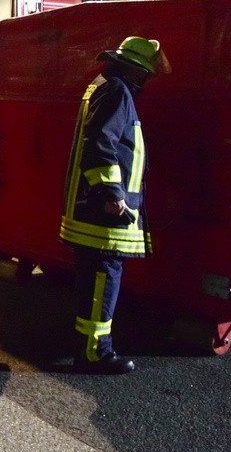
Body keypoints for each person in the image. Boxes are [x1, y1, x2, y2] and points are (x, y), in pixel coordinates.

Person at [59, 36, 171, 375]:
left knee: (94, 281)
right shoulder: (119, 91)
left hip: (89, 207)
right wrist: (112, 193)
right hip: (103, 212)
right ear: (134, 70)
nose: (146, 81)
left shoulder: (103, 86)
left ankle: (89, 347)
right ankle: (95, 354)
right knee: (102, 281)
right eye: (145, 74)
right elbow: (101, 141)